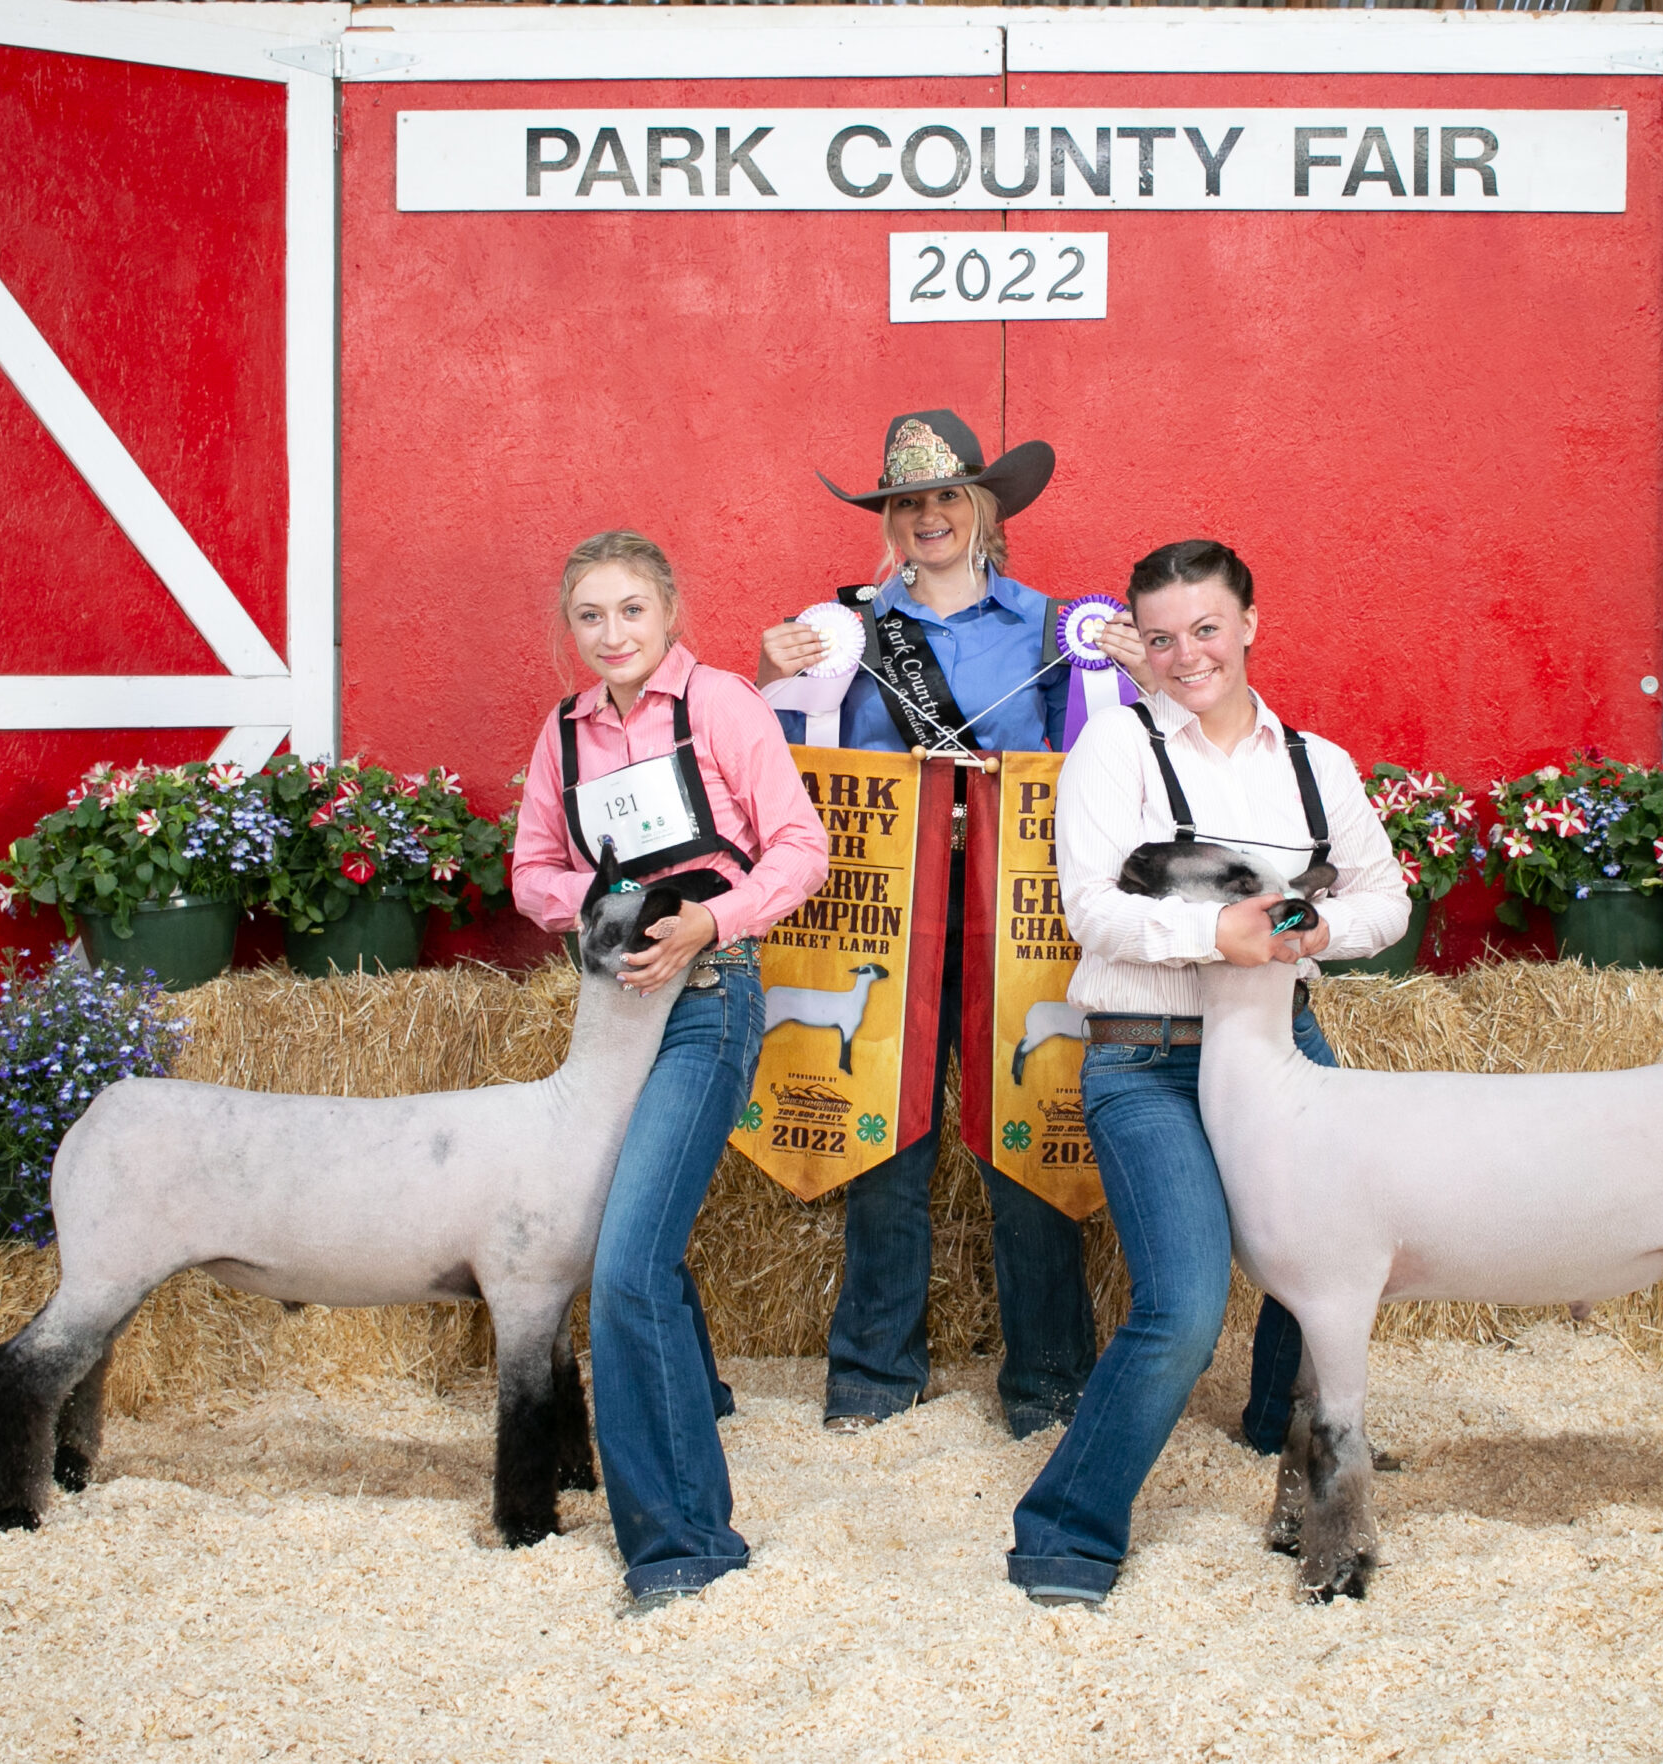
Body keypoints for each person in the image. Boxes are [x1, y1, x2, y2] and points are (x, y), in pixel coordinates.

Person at [1007, 538, 1409, 1605]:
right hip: (1147, 1055)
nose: (1187, 654)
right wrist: (1212, 933)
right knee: (1183, 1307)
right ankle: (1064, 1528)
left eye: (1208, 628)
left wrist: (1305, 926)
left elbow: (1387, 900)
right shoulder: (1117, 749)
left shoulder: (1316, 765)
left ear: (1249, 625)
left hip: (1282, 1049)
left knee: (1328, 1272)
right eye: (1164, 635)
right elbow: (1088, 906)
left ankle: (1300, 1474)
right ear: (1138, 642)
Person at [757, 409, 1108, 1439]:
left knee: (1027, 1137)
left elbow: (1083, 776)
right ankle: (873, 1376)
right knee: (889, 1143)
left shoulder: (1053, 629)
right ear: (890, 519)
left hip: (1013, 917)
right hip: (887, 915)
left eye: (946, 495)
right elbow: (793, 767)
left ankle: (1047, 1382)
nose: (927, 516)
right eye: (906, 502)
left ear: (983, 508)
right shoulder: (842, 634)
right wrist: (777, 676)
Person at [511, 530, 828, 1610]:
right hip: (612, 1011)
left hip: (707, 1000)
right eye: (590, 616)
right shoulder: (563, 731)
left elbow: (799, 846)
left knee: (629, 1261)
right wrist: (602, 910)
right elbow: (530, 873)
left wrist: (706, 922)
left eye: (631, 612)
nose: (612, 635)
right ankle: (695, 1408)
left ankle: (684, 1543)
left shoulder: (724, 705)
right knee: (636, 1241)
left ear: (669, 612)